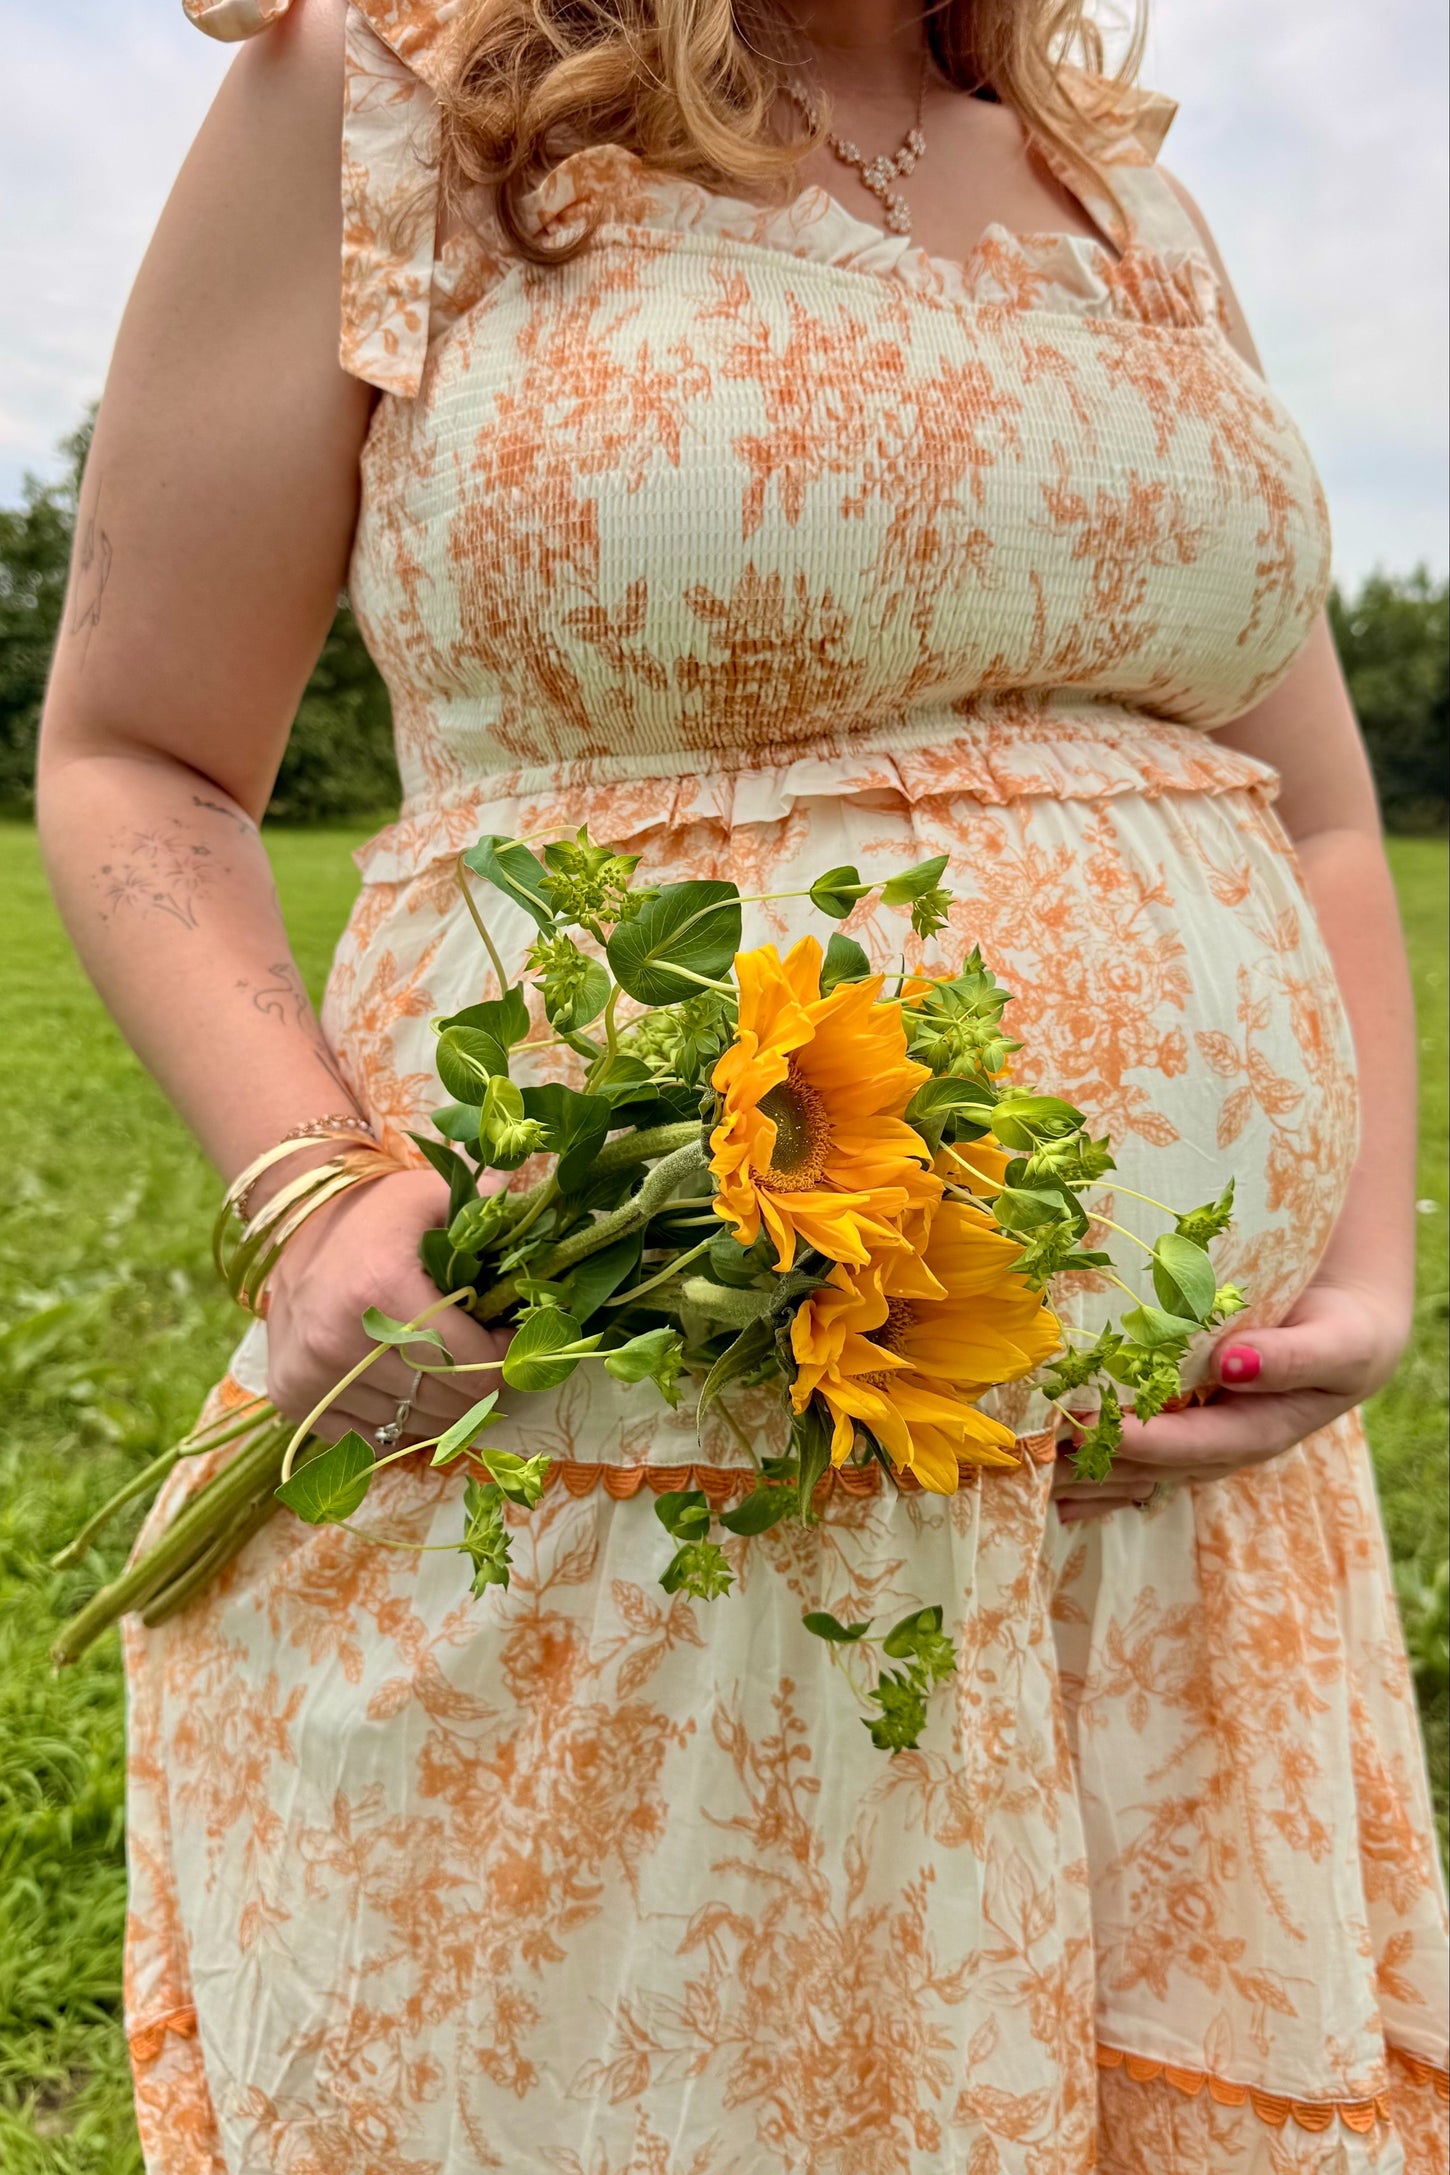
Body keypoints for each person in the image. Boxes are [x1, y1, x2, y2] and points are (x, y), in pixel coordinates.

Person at [36, 0, 1449, 2166]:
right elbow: (142, 751)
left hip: (1170, 1552)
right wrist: (311, 1190)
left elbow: (1309, 807)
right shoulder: (386, 106)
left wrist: (1355, 1272)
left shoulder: (1120, 195)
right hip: (645, 1491)